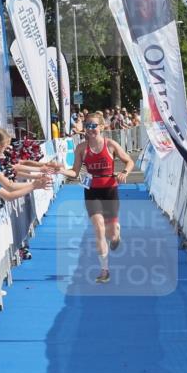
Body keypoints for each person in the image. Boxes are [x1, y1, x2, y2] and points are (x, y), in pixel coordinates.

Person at [58, 114, 135, 284]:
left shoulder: (111, 145)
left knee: (111, 233)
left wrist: (125, 172)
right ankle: (104, 271)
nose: (90, 129)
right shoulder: (81, 148)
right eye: (87, 125)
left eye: (94, 126)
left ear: (102, 127)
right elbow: (75, 172)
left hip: (110, 190)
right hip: (91, 191)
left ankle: (116, 235)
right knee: (99, 229)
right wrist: (62, 171)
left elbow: (129, 161)